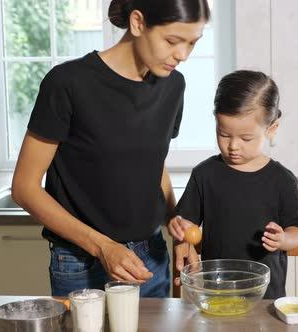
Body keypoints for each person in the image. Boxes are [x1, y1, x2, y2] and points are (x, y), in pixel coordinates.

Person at [11, 0, 211, 298]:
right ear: (138, 23)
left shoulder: (173, 86)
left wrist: (174, 223)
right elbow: (24, 188)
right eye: (172, 40)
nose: (182, 55)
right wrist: (103, 247)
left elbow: (154, 167)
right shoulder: (67, 84)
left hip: (151, 259)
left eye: (192, 43)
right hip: (81, 263)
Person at [167, 70, 298, 299]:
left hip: (266, 296)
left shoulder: (282, 179)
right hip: (215, 292)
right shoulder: (205, 174)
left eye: (245, 138)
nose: (233, 146)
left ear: (271, 129)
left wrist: (283, 239)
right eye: (223, 134)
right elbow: (185, 223)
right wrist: (178, 227)